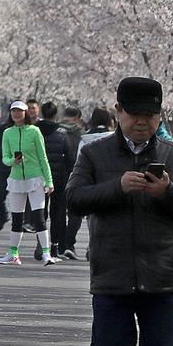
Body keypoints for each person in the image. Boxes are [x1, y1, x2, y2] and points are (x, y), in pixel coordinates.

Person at [66, 78, 173, 346]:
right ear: (118, 110)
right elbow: (74, 199)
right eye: (134, 114)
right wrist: (117, 188)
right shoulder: (94, 153)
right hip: (112, 277)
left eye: (150, 115)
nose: (142, 122)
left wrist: (167, 192)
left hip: (162, 278)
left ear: (159, 115)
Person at [0, 101, 54, 265]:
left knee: (39, 217)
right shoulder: (7, 133)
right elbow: (4, 157)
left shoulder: (34, 131)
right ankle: (13, 254)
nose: (16, 114)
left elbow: (43, 157)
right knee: (16, 219)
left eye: (19, 111)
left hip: (35, 178)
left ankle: (46, 253)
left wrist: (49, 180)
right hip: (16, 179)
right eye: (13, 111)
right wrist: (12, 161)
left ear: (25, 113)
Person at [67, 108, 115, 262]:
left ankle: (90, 245)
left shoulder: (85, 138)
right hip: (110, 181)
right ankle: (100, 246)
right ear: (109, 121)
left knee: (91, 215)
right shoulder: (114, 137)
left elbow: (79, 161)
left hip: (91, 181)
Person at [39, 102, 77, 261]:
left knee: (40, 211)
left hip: (38, 177)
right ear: (55, 115)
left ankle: (41, 243)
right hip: (59, 179)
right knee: (57, 213)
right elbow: (69, 158)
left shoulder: (34, 131)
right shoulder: (62, 134)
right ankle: (55, 246)